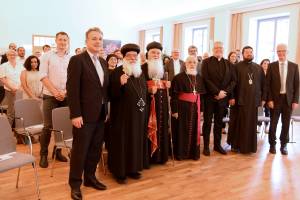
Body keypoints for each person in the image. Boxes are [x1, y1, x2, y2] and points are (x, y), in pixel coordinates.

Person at [67, 27, 109, 200]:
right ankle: (75, 183)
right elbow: (72, 89)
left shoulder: (103, 62)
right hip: (83, 116)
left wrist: (105, 109)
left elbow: (103, 89)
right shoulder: (77, 60)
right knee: (80, 151)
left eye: (100, 38)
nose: (98, 41)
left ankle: (90, 178)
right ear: (86, 41)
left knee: (95, 149)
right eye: (94, 38)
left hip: (100, 114)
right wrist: (75, 114)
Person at [108, 43, 147, 184]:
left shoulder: (140, 72)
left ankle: (133, 168)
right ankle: (120, 172)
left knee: (135, 141)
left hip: (138, 115)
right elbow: (111, 95)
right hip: (122, 116)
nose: (132, 58)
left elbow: (143, 92)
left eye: (135, 56)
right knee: (122, 142)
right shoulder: (117, 73)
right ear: (123, 57)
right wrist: (120, 84)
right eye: (129, 56)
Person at [39, 31, 71, 168]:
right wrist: (55, 92)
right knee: (48, 126)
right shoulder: (47, 56)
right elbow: (43, 76)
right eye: (60, 40)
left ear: (67, 42)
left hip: (66, 96)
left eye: (65, 40)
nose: (62, 42)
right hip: (50, 96)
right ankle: (43, 154)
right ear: (56, 41)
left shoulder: (72, 58)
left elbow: (74, 78)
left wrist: (65, 92)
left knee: (62, 126)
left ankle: (57, 152)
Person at [229, 46, 265, 154]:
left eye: (251, 52)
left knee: (251, 125)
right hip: (240, 101)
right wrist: (232, 97)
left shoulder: (258, 68)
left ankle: (249, 147)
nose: (249, 54)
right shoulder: (236, 67)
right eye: (247, 52)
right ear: (243, 54)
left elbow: (264, 85)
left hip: (253, 101)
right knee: (238, 123)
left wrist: (263, 99)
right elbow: (232, 83)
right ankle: (236, 146)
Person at [201, 41, 235, 156]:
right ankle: (206, 146)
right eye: (216, 48)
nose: (218, 49)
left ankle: (217, 145)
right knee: (207, 123)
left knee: (219, 123)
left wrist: (224, 93)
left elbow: (233, 81)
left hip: (223, 99)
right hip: (210, 98)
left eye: (220, 48)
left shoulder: (229, 64)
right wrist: (217, 92)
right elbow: (205, 79)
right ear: (212, 49)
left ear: (223, 49)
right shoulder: (206, 62)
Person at [266, 44, 299, 155]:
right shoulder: (271, 66)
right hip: (275, 100)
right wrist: (269, 99)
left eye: (283, 51)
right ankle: (272, 145)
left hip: (288, 100)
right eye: (279, 51)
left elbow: (297, 85)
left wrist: (295, 100)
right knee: (273, 124)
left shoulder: (294, 66)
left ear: (287, 52)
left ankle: (283, 145)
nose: (281, 53)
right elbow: (267, 85)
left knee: (285, 124)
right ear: (276, 52)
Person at [171, 56, 205, 160]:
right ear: (185, 64)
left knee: (194, 130)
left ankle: (193, 154)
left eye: (194, 62)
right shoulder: (178, 77)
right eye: (189, 62)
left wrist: (202, 109)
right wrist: (175, 110)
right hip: (182, 108)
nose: (192, 64)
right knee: (181, 130)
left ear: (197, 64)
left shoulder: (200, 78)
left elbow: (201, 96)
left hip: (195, 108)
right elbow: (174, 96)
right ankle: (181, 154)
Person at [142, 41, 170, 167]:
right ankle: (149, 158)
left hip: (162, 104)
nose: (156, 55)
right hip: (148, 104)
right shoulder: (142, 68)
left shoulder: (163, 69)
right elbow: (138, 87)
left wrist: (167, 85)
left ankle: (161, 156)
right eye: (153, 52)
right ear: (148, 54)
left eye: (158, 53)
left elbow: (163, 84)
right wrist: (148, 91)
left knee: (162, 127)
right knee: (149, 128)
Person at [0, 49, 23, 125]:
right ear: (7, 56)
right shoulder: (4, 66)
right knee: (11, 111)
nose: (12, 56)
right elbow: (2, 78)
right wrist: (12, 88)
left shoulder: (20, 65)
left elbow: (23, 77)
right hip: (10, 91)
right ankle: (9, 130)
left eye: (14, 54)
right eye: (10, 55)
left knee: (20, 109)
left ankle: (19, 128)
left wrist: (19, 87)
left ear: (16, 56)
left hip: (20, 90)